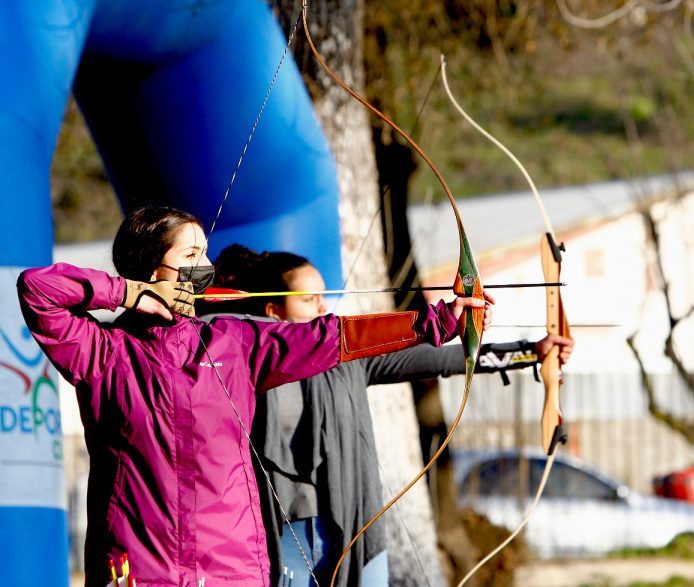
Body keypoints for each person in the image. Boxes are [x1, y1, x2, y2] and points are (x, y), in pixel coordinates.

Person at [16, 206, 493, 587]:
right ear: (149, 266)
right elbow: (38, 290)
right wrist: (127, 293)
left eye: (205, 253)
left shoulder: (233, 341)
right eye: (190, 255)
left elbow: (332, 336)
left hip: (232, 569)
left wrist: (436, 322)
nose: (204, 267)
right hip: (139, 572)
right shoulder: (101, 351)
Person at [198, 244, 574, 586]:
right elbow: (211, 329)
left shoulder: (348, 358)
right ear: (272, 311)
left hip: (354, 531)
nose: (323, 309)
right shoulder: (244, 360)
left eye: (323, 298)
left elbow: (442, 359)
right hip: (281, 534)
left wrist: (530, 352)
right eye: (310, 300)